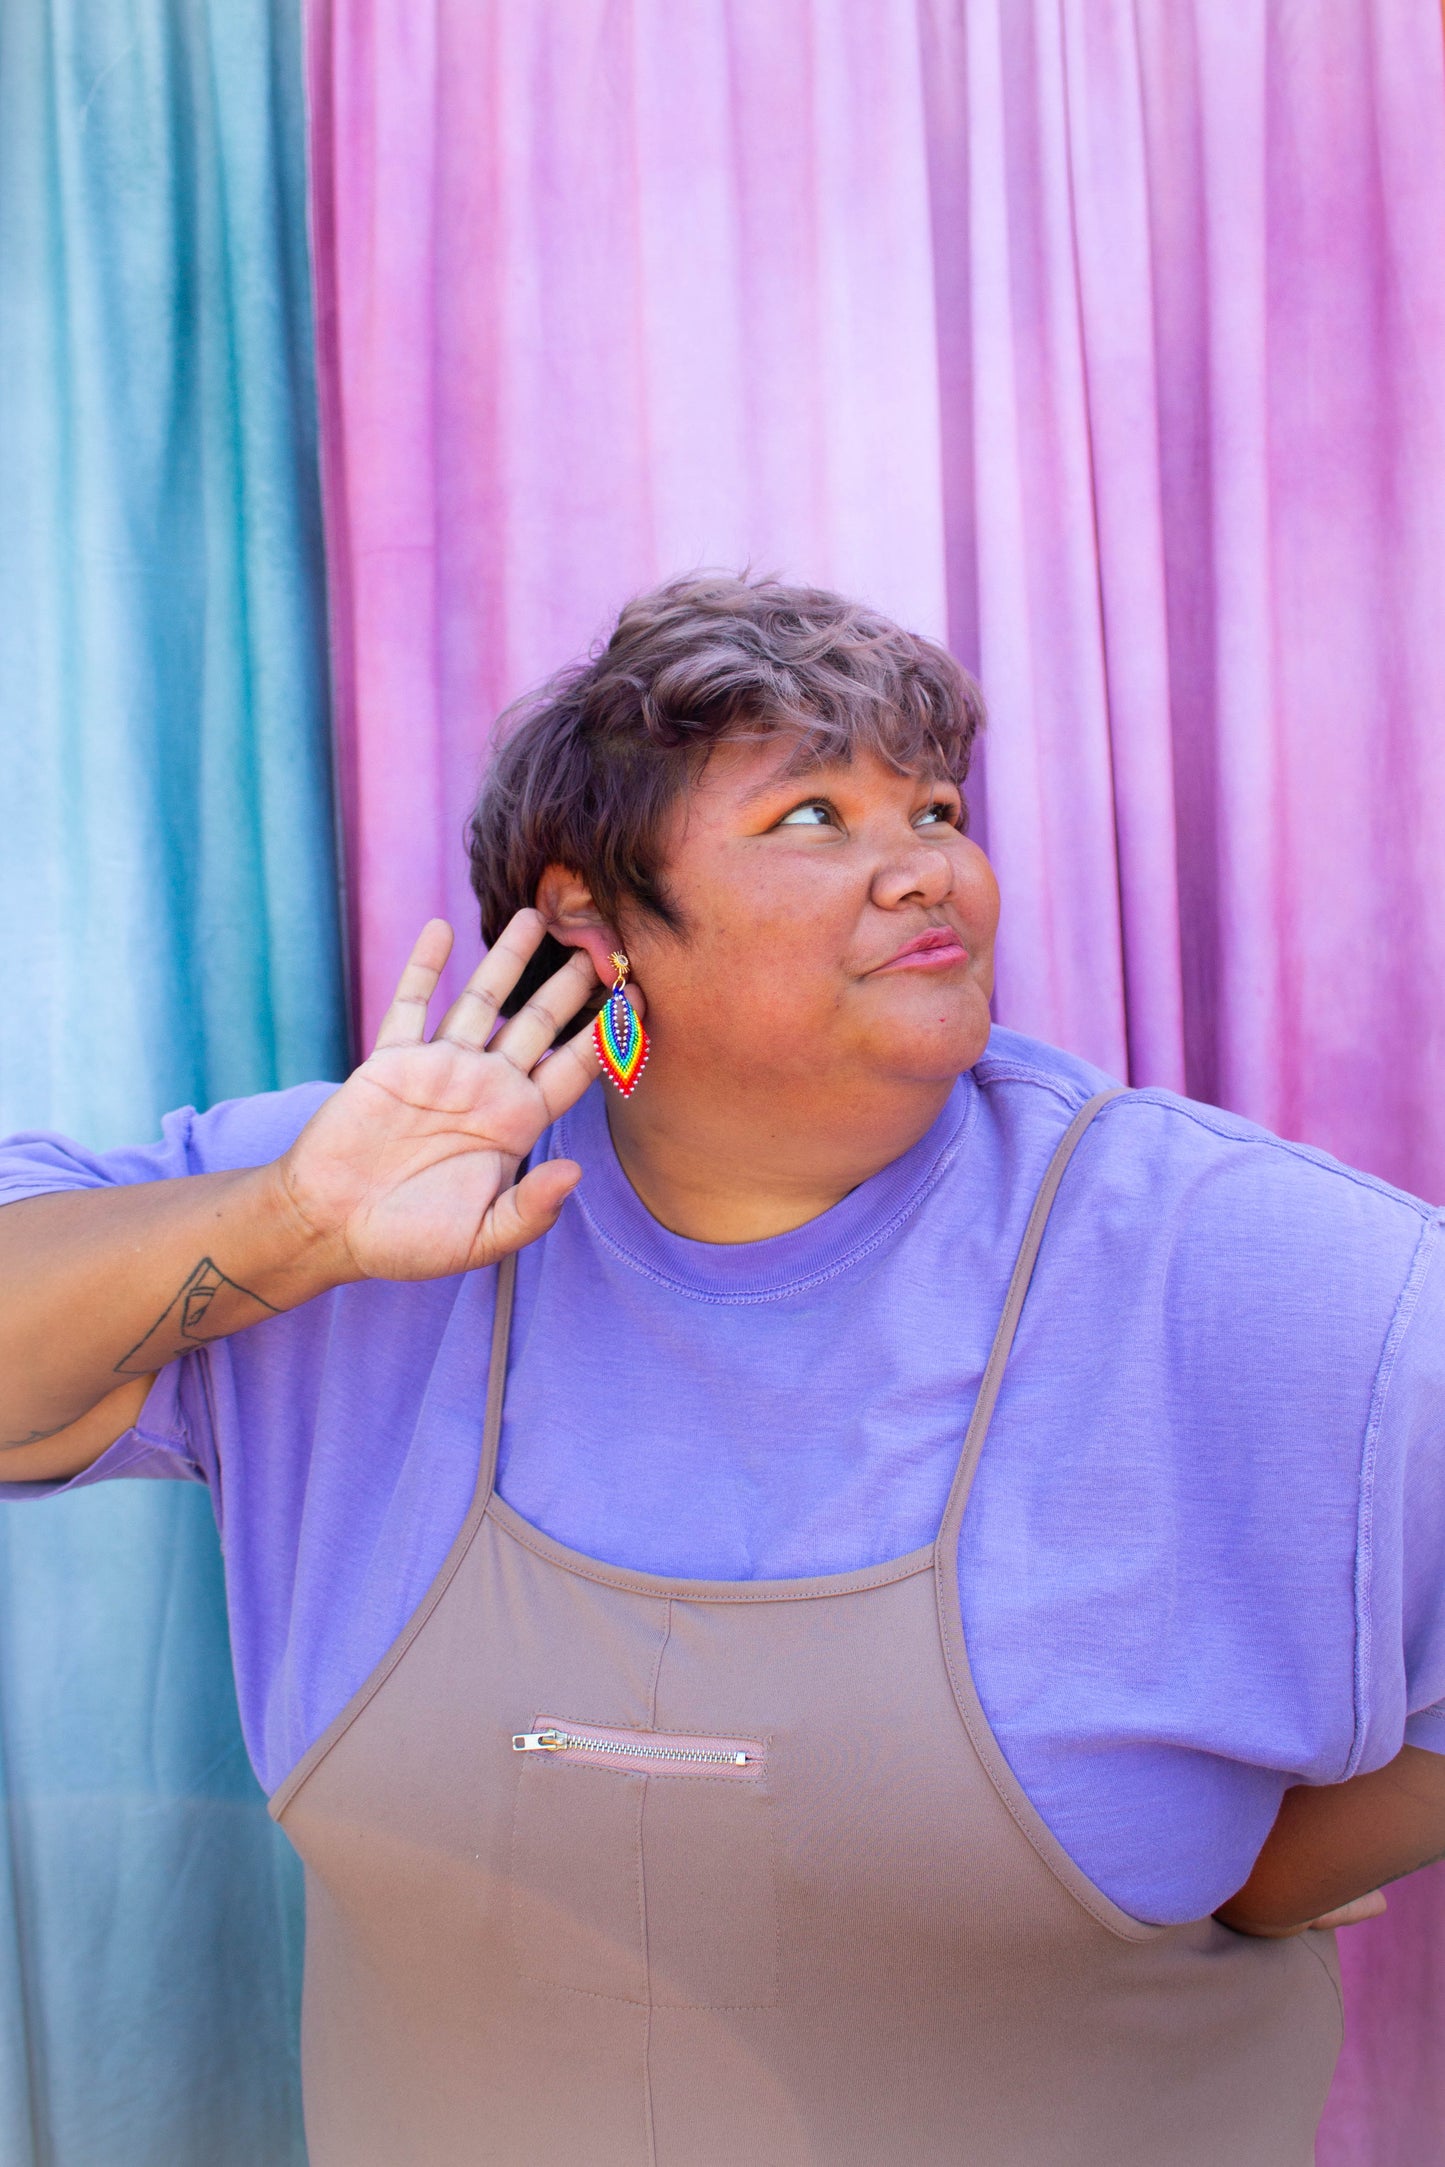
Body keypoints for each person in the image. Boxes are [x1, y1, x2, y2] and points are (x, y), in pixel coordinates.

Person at [2, 572, 1444, 2167]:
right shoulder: (376, 1192)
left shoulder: (1233, 1264)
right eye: (814, 816)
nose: (924, 869)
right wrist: (291, 1227)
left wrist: (1260, 1871)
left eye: (937, 805)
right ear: (590, 919)